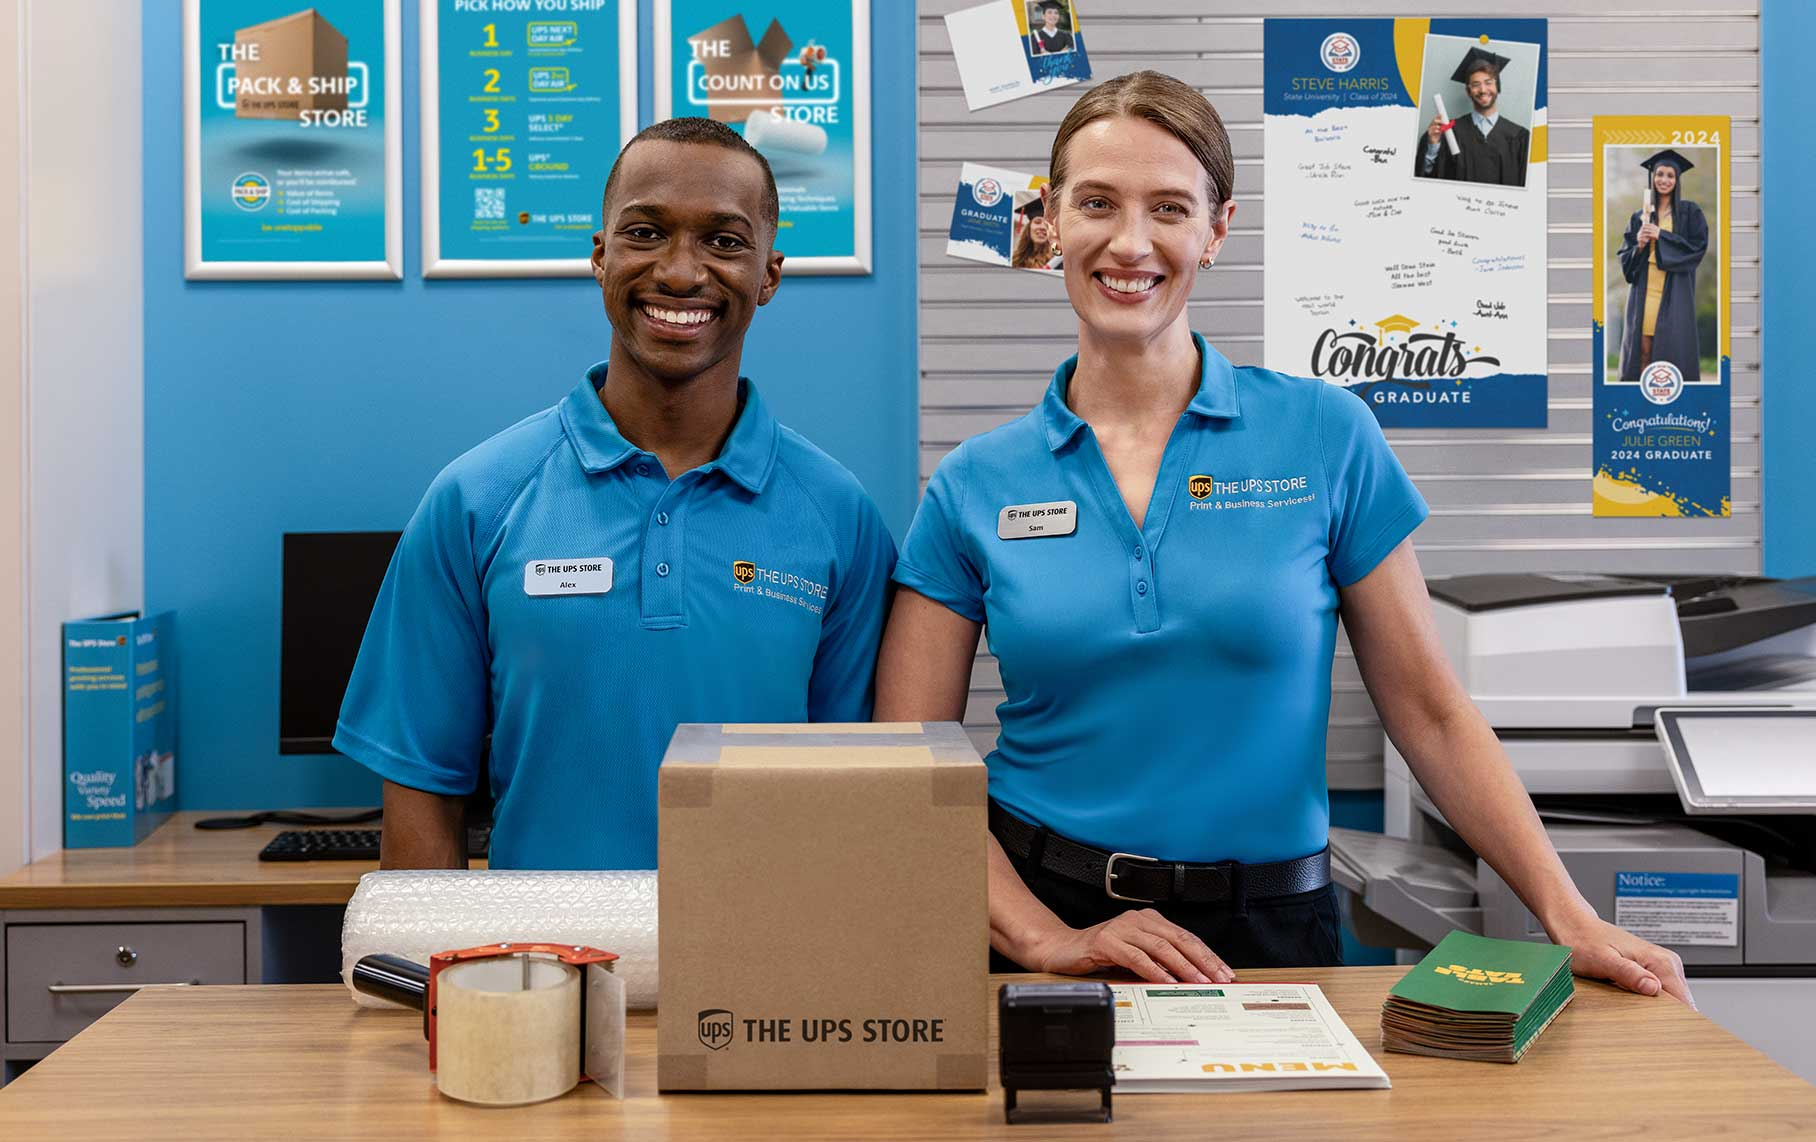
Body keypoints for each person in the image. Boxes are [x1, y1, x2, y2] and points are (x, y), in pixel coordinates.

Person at [877, 71, 1693, 1005]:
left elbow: (1429, 710)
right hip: (1045, 919)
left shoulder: (1324, 434)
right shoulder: (974, 482)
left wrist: (1567, 914)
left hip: (1274, 934)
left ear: (1217, 231)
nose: (1130, 241)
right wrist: (1043, 938)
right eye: (1096, 202)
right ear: (1050, 219)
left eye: (1170, 208)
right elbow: (906, 761)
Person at [335, 118, 896, 871]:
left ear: (769, 275)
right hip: (541, 968)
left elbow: (860, 798)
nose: (680, 272)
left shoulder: (840, 515)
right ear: (600, 255)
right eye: (645, 232)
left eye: (725, 242)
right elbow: (421, 795)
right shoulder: (475, 500)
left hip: (770, 970)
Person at [1617, 149, 1709, 383]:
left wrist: (1661, 236)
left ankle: (1670, 408)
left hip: (1675, 291)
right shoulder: (1640, 215)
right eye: (1659, 174)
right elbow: (1626, 261)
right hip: (1644, 292)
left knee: (1671, 352)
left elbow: (1697, 249)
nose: (1664, 180)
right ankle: (1640, 407)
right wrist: (1639, 245)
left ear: (1677, 180)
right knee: (1643, 349)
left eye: (1670, 175)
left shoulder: (1690, 212)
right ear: (1652, 177)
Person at [1416, 46, 1530, 188]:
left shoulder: (1519, 137)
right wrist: (1433, 145)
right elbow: (1429, 177)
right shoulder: (1451, 131)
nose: (1483, 90)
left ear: (1497, 87)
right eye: (1476, 84)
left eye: (1488, 83)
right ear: (1469, 91)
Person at [1010, 198, 1055, 269]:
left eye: (1047, 225)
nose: (1043, 227)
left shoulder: (1057, 261)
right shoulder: (1015, 259)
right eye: (1037, 222)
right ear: (1028, 228)